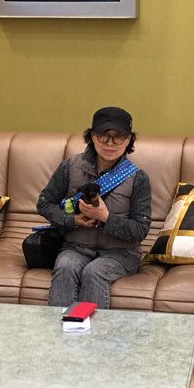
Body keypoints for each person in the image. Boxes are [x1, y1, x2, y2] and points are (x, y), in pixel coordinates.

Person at [37, 106, 152, 309]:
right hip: (76, 247)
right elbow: (45, 203)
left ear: (128, 140)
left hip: (121, 253)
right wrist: (72, 220)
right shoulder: (70, 167)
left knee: (94, 271)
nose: (110, 143)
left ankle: (93, 331)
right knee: (65, 266)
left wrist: (106, 217)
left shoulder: (138, 177)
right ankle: (58, 328)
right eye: (103, 136)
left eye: (118, 137)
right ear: (92, 136)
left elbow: (140, 230)